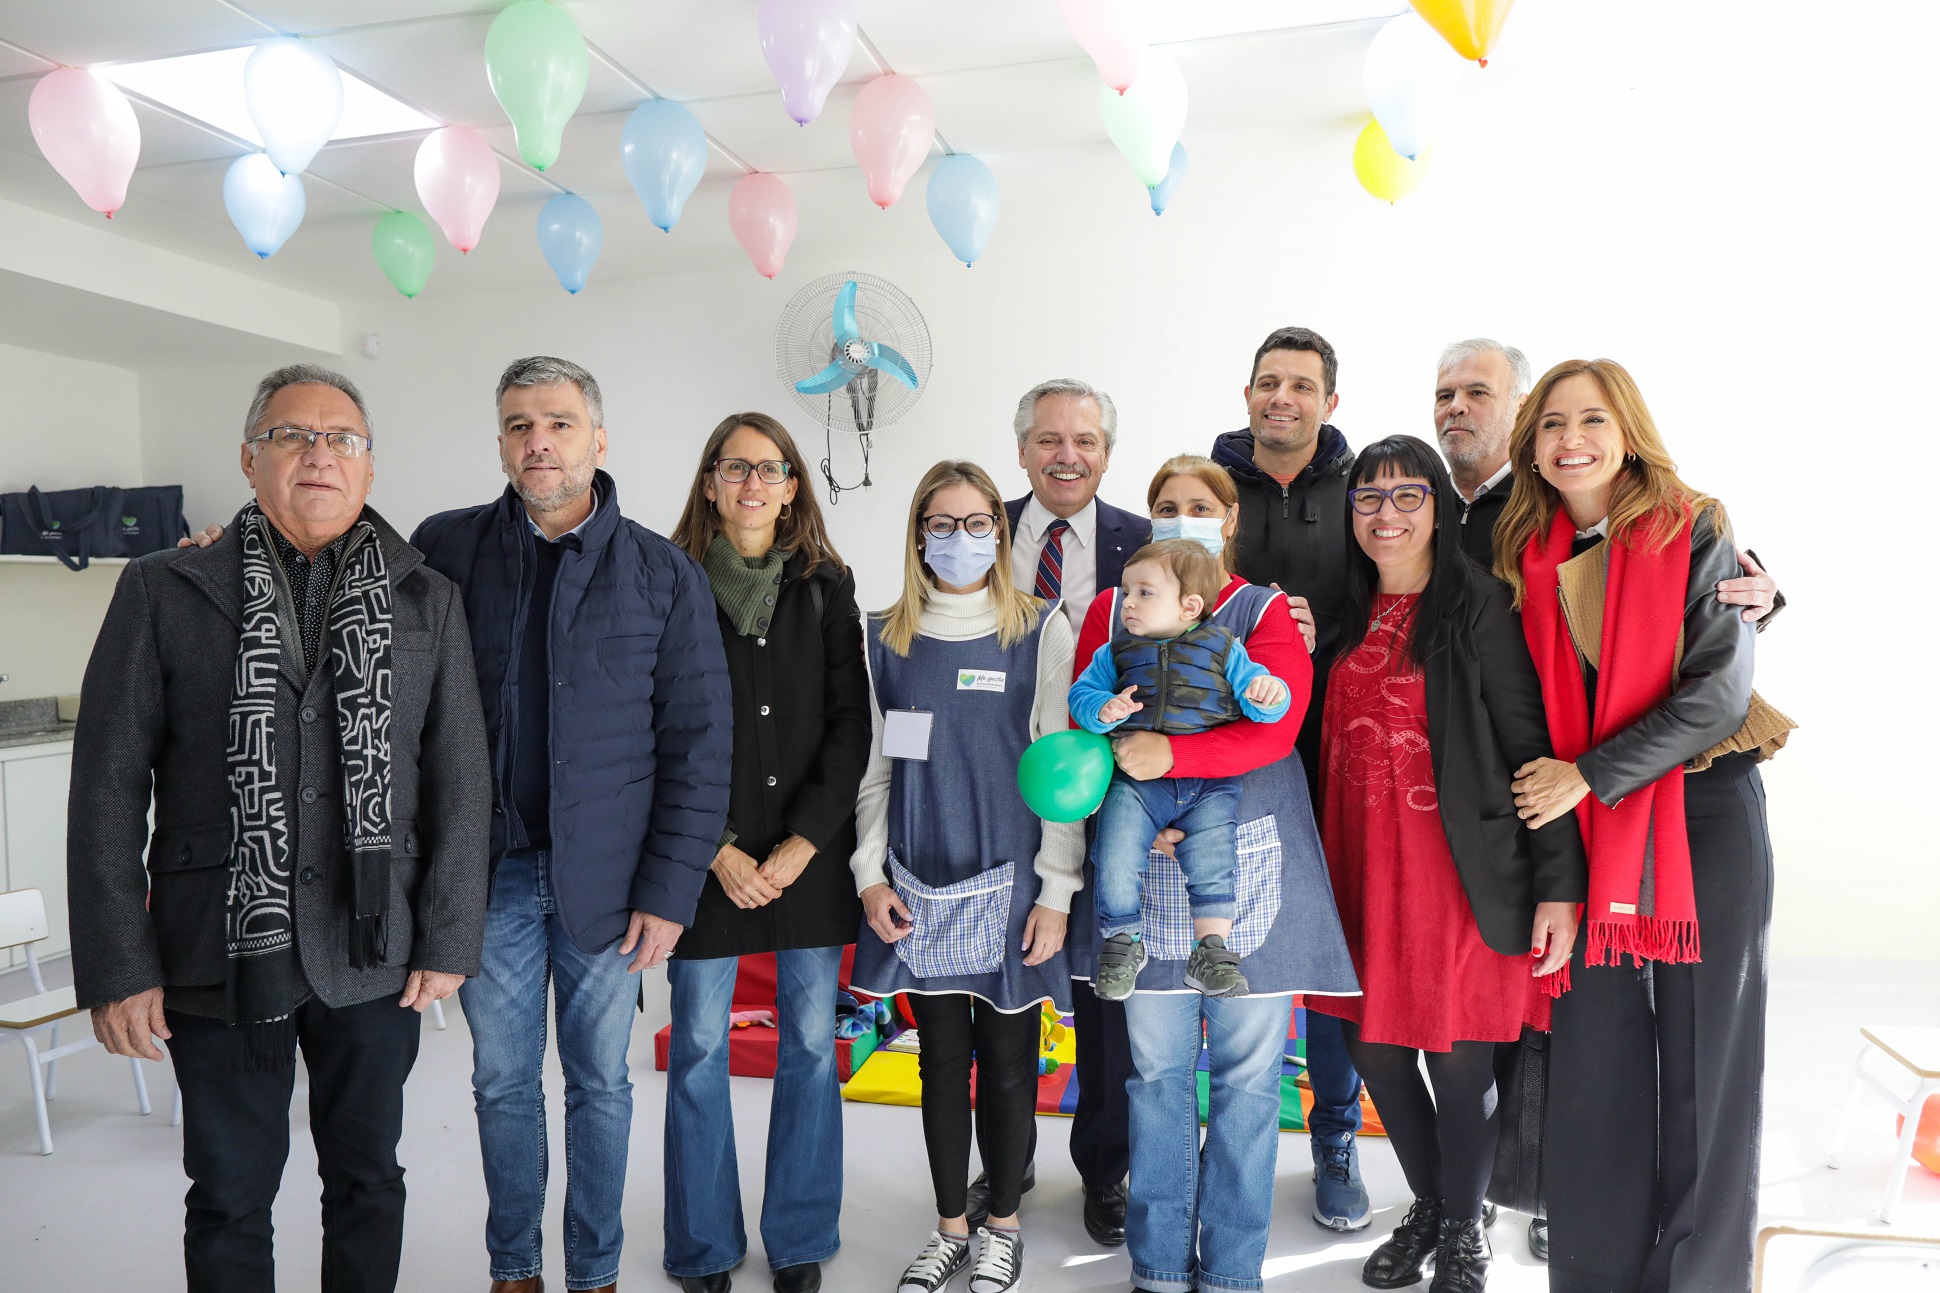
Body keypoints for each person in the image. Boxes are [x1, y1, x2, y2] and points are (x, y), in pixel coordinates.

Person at [68, 363, 493, 1293]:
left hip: (373, 945)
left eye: (342, 439)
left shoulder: (429, 597)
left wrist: (451, 934)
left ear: (370, 469)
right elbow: (104, 787)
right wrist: (118, 963)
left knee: (369, 1178)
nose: (319, 454)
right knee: (227, 1193)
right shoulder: (163, 586)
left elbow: (462, 781)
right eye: (293, 436)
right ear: (251, 459)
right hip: (217, 943)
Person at [1428, 336, 1784, 1263]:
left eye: (1592, 418)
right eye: (1550, 422)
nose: (1570, 437)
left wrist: (1587, 772)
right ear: (1529, 444)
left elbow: (1717, 695)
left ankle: (1701, 1280)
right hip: (1580, 835)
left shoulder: (1695, 523)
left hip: (1701, 818)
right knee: (1595, 1072)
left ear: (1629, 434)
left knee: (1708, 1069)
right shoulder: (1518, 547)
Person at [413, 357, 734, 1293]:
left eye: (557, 421)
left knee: (601, 1084)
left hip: (611, 885)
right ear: (502, 441)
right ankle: (515, 1268)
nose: (537, 440)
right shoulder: (446, 549)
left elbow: (698, 746)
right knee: (502, 1085)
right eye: (518, 424)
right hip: (491, 874)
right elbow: (347, 570)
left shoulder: (662, 572)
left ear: (599, 437)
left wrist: (671, 893)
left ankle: (593, 1273)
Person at [1069, 454, 1359, 1293]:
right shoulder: (1109, 608)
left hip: (1247, 860)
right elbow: (1084, 723)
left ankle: (1233, 1269)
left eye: (1201, 504)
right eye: (1166, 505)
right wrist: (1137, 803)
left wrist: (1169, 758)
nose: (1181, 515)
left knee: (1246, 1078)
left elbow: (1276, 727)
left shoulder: (1265, 613)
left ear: (1230, 519)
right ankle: (1159, 1265)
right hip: (1142, 862)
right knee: (1155, 1075)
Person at [1307, 435, 1587, 1293]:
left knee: (1462, 1070)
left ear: (1441, 506)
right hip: (1358, 878)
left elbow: (1531, 751)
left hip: (1461, 880)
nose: (1385, 514)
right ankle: (1434, 1204)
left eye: (1406, 496)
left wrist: (1560, 886)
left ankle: (1464, 1232)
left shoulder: (1480, 608)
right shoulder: (1340, 614)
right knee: (1378, 1055)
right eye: (1368, 498)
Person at [850, 460, 1082, 1293]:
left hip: (1012, 881)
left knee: (1012, 1058)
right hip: (920, 880)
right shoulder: (883, 635)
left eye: (977, 522)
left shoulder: (1040, 629)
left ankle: (1003, 1227)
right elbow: (875, 770)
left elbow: (1062, 772)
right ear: (918, 533)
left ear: (1000, 529)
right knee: (939, 1059)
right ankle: (952, 1226)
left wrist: (1057, 889)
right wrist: (870, 874)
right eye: (941, 524)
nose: (960, 539)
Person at [661, 413, 871, 1293]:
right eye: (735, 466)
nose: (752, 482)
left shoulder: (827, 586)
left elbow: (849, 723)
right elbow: (653, 728)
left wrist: (800, 845)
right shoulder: (666, 584)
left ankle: (798, 1236)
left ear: (792, 487)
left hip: (807, 857)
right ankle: (704, 1243)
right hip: (702, 856)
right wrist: (715, 849)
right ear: (710, 482)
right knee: (701, 1048)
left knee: (810, 1049)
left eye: (770, 468)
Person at [1207, 326, 1372, 1230]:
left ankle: (1335, 1132)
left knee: (1325, 951)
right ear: (1248, 394)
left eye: (1301, 386)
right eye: (1268, 382)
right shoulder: (1205, 486)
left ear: (1328, 402)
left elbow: (1390, 597)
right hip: (1215, 753)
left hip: (1329, 751)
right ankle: (1220, 1134)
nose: (1283, 398)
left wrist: (1321, 639)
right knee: (1213, 935)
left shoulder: (1361, 491)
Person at [996, 377, 1149, 1245]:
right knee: (1004, 993)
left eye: (1085, 441)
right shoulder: (977, 530)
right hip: (999, 795)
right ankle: (1007, 1158)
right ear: (1022, 450)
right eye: (1049, 439)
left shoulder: (1148, 544)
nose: (1067, 455)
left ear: (1105, 452)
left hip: (1112, 802)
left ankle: (1105, 1168)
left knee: (1105, 1003)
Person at [1070, 538, 1292, 999]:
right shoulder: (1114, 653)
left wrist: (1270, 693)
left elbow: (1264, 705)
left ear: (1190, 604)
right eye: (1126, 591)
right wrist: (1104, 710)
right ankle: (1122, 940)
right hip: (1136, 783)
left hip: (1210, 783)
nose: (1127, 602)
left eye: (1144, 592)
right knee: (1114, 848)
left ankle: (1210, 950)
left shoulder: (1224, 647)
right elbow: (1080, 699)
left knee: (1214, 859)